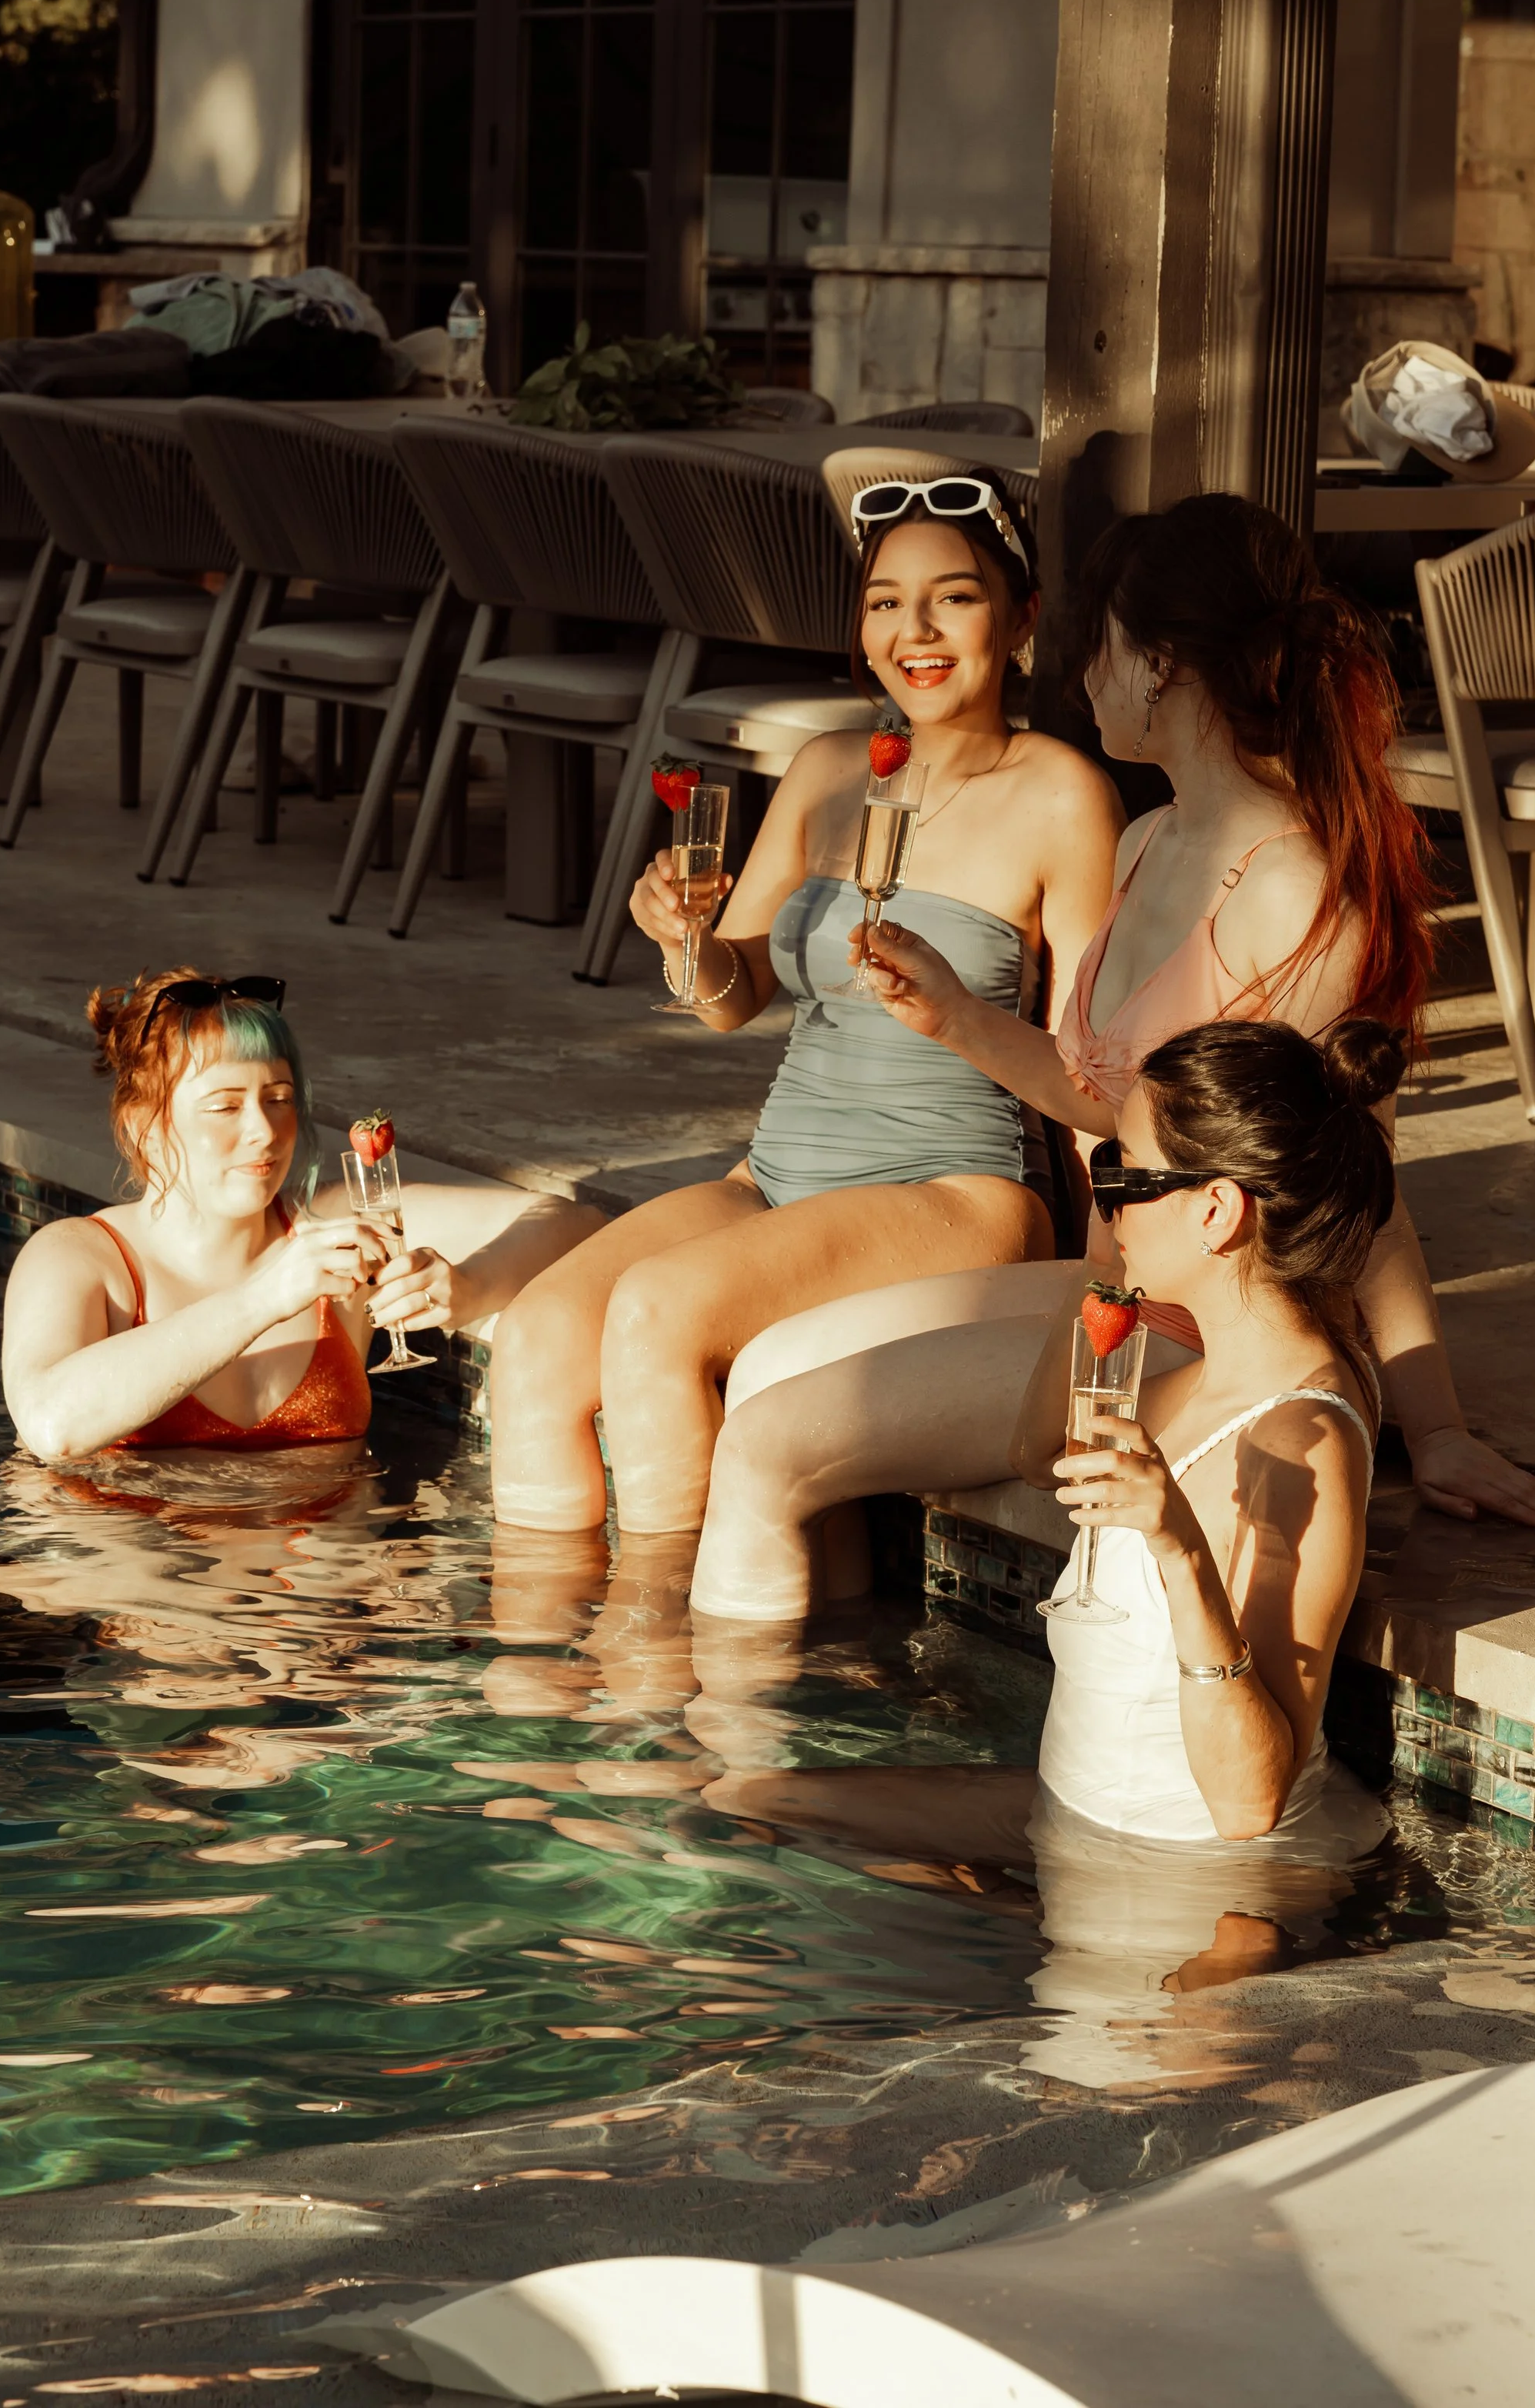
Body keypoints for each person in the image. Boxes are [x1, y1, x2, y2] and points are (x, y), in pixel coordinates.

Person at [691, 491, 1535, 1624]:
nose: (1081, 675)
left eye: (1100, 646)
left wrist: (1430, 1424)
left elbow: (1353, 1173)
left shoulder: (1292, 888)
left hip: (1211, 1328)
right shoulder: (1149, 840)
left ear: (1161, 666)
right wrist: (951, 1015)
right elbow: (1109, 1104)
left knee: (765, 1444)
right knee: (769, 1364)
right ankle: (845, 1679)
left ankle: (739, 1770)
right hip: (1111, 1292)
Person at [488, 479, 1123, 1538]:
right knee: (541, 1329)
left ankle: (654, 1660)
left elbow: (1097, 1068)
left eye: (951, 598)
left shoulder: (1061, 795)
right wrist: (681, 942)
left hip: (954, 1189)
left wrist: (957, 1012)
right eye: (883, 602)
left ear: (1021, 621)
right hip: (776, 1172)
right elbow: (731, 1000)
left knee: (659, 1313)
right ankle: (541, 1668)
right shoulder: (828, 771)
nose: (911, 631)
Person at [699, 1016, 1401, 1879]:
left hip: (1174, 1876)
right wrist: (1102, 1277)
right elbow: (1041, 1453)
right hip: (1071, 1818)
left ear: (1217, 1211)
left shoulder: (1304, 1440)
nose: (1102, 1193)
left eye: (1123, 1173)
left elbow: (1247, 1802)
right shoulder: (1200, 1388)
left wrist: (1180, 1550)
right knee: (742, 1809)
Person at [2, 969, 601, 1463]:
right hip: (148, 1592)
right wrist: (264, 1297)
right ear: (146, 1128)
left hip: (325, 1598)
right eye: (225, 1106)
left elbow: (574, 1227)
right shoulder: (79, 1257)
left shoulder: (336, 1226)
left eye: (279, 1099)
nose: (264, 1131)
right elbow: (54, 1425)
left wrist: (471, 1288)